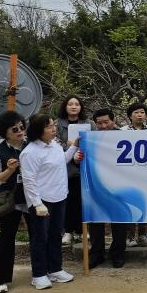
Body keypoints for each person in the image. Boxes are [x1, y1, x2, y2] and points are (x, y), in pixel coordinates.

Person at [20, 113, 78, 289]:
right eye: (49, 126)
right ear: (38, 130)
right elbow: (28, 180)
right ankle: (38, 274)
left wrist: (74, 147)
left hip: (60, 196)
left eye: (53, 125)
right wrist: (37, 203)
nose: (54, 129)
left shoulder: (54, 145)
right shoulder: (30, 152)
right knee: (40, 238)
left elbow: (62, 160)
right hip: (42, 201)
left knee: (55, 235)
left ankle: (55, 269)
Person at [0, 111, 31, 293]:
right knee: (6, 237)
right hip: (9, 199)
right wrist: (9, 171)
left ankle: (42, 272)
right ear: (5, 133)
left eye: (22, 127)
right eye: (15, 129)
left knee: (38, 235)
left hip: (31, 197)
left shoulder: (31, 145)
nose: (20, 131)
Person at [81, 109, 129, 268]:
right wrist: (77, 158)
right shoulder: (90, 138)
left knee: (119, 220)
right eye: (99, 123)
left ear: (113, 122)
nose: (103, 126)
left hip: (120, 184)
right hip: (96, 184)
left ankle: (118, 253)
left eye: (106, 122)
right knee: (95, 220)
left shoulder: (125, 137)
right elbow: (79, 159)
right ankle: (97, 253)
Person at [55, 95, 96, 245]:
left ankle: (81, 230)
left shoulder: (89, 123)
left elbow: (96, 142)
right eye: (70, 104)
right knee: (68, 200)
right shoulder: (57, 124)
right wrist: (70, 145)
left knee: (82, 200)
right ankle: (67, 231)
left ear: (81, 107)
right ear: (65, 106)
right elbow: (54, 144)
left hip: (85, 165)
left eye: (77, 104)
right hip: (66, 167)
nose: (74, 107)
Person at [121, 102, 147, 247]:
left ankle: (143, 234)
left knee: (145, 203)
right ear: (130, 116)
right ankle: (129, 236)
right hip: (128, 174)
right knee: (130, 204)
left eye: (142, 112)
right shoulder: (122, 131)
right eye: (136, 112)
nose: (139, 115)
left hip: (146, 174)